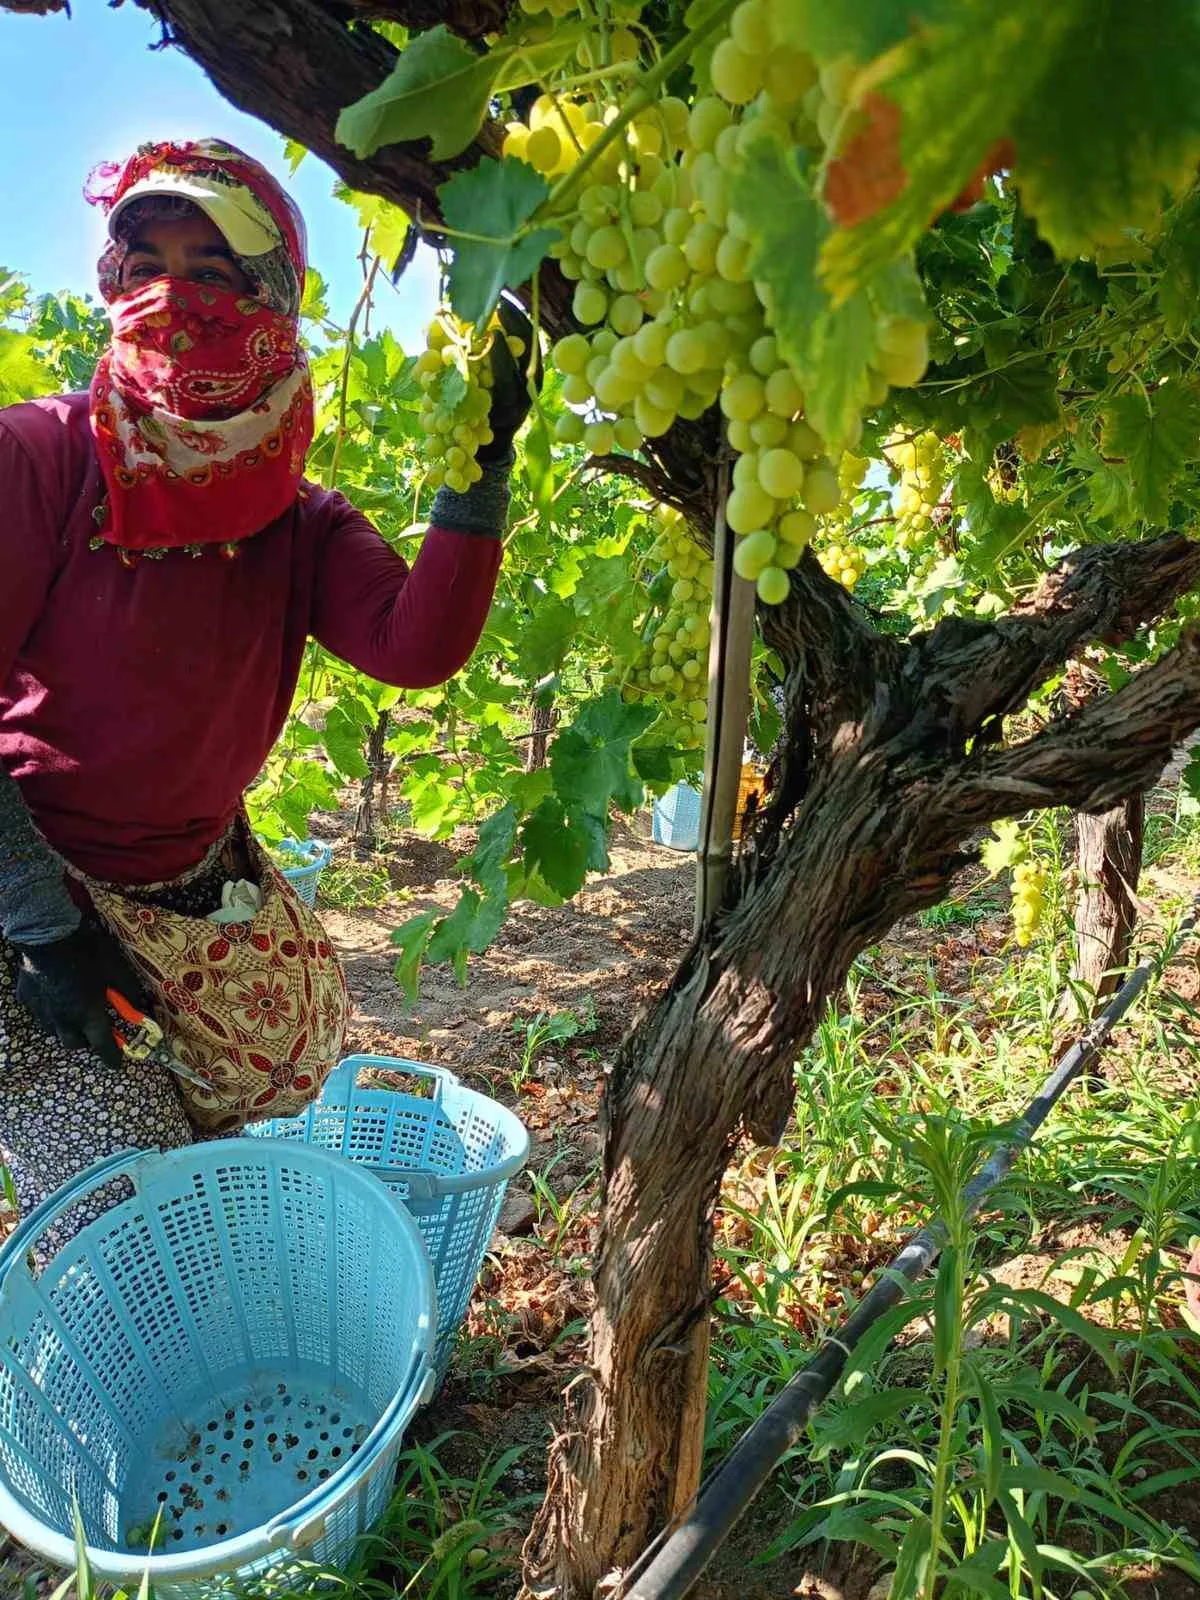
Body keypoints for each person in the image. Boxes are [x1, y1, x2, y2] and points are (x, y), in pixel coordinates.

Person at [0, 138, 533, 1227]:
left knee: (253, 1125)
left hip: (192, 880)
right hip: (30, 887)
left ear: (273, 296)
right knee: (126, 1208)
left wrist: (480, 469)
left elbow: (414, 645)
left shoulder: (295, 516)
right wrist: (43, 934)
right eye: (145, 264)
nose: (172, 299)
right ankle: (125, 1379)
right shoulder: (42, 458)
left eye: (213, 270)